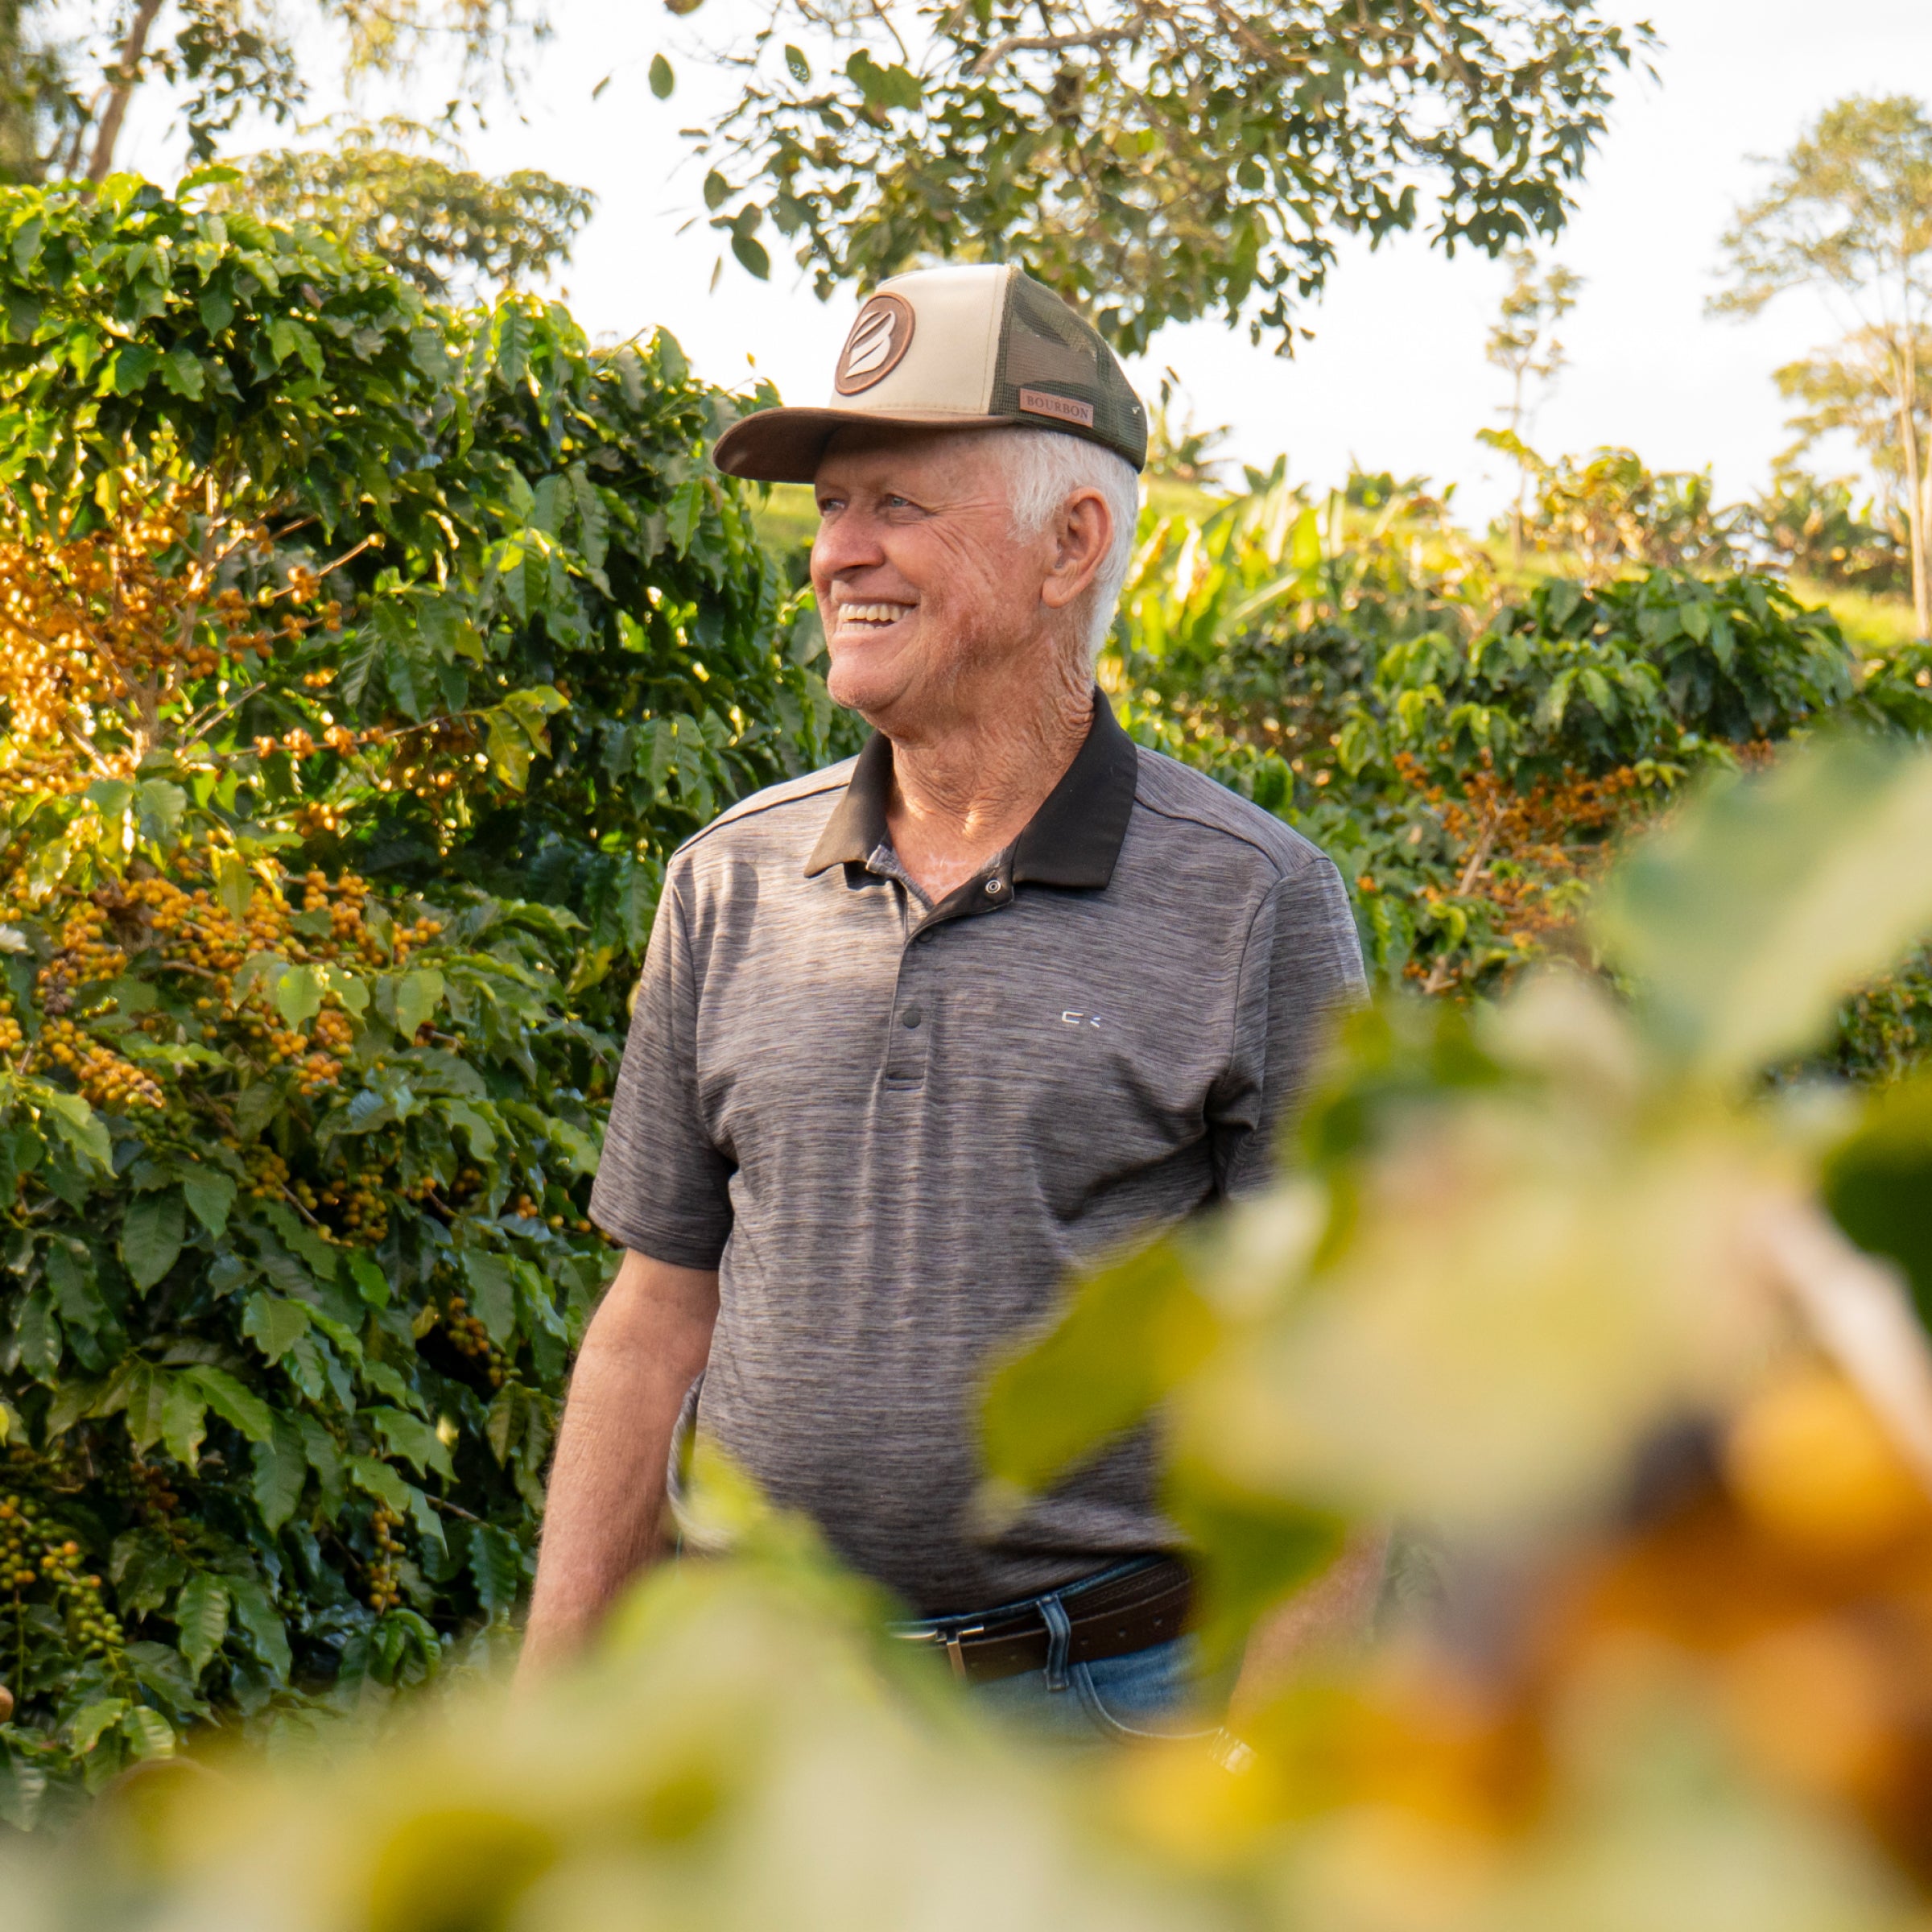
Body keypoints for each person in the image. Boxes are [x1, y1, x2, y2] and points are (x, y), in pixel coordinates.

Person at [519, 264, 1373, 1739]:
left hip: (1092, 1720)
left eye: (897, 505)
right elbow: (654, 1321)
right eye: (831, 505)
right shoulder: (727, 883)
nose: (837, 552)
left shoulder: (1254, 901)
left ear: (1069, 545)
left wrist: (1273, 1784)